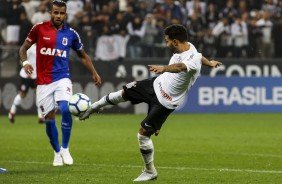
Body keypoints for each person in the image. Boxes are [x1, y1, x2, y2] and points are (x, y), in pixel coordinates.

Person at [79, 24, 222, 181]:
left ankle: (150, 171)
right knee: (122, 93)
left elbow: (180, 66)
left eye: (167, 41)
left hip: (166, 101)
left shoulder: (191, 58)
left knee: (143, 135)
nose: (166, 44)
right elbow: (201, 56)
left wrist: (163, 68)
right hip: (156, 84)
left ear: (175, 41)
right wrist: (210, 63)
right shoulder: (192, 49)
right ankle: (93, 108)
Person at [19, 0, 102, 166]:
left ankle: (65, 148)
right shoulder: (39, 28)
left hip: (62, 77)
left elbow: (83, 55)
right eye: (55, 12)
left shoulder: (71, 34)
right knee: (49, 119)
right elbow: (23, 49)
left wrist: (94, 72)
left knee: (65, 108)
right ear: (51, 13)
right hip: (43, 82)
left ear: (66, 14)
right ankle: (56, 152)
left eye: (61, 13)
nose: (58, 16)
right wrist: (26, 63)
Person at [8, 44, 44, 124]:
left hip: (36, 76)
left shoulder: (42, 48)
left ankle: (40, 117)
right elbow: (22, 59)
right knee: (22, 94)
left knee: (38, 94)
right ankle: (12, 112)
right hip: (26, 75)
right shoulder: (30, 47)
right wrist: (26, 70)